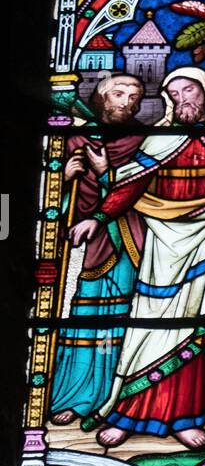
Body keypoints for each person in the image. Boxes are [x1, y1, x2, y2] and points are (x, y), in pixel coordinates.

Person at [69, 68, 205, 449]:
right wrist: (99, 217)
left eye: (187, 90)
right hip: (162, 241)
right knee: (150, 330)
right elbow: (131, 186)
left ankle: (185, 417)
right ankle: (130, 414)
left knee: (199, 330)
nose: (180, 99)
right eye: (172, 94)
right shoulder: (161, 141)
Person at [49, 73, 146, 425]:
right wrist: (64, 178)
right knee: (81, 318)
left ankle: (112, 398)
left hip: (124, 240)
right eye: (119, 93)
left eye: (134, 97)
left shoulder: (142, 140)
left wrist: (106, 173)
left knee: (117, 320)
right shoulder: (71, 138)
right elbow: (19, 201)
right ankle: (75, 395)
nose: (127, 102)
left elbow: (141, 194)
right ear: (101, 97)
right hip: (80, 244)